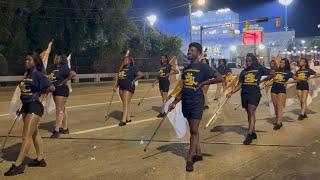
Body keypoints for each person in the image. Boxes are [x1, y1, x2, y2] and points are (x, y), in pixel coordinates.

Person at [169, 42, 223, 172]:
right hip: (186, 101)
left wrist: (205, 82)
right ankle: (198, 152)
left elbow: (220, 78)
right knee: (193, 129)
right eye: (188, 50)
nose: (189, 52)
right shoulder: (186, 69)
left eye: (192, 50)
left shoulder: (204, 67)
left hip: (197, 102)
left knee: (193, 129)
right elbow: (184, 87)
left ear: (198, 53)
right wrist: (175, 102)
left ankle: (190, 158)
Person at [5, 52, 55, 176]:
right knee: (34, 134)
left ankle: (18, 165)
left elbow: (52, 88)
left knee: (25, 137)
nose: (26, 62)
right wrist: (22, 108)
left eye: (29, 60)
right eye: (25, 60)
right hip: (26, 107)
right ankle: (40, 159)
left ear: (36, 62)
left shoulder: (38, 74)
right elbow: (25, 93)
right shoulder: (27, 75)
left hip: (35, 107)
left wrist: (39, 93)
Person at [227, 53, 270, 145]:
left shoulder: (259, 69)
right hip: (244, 94)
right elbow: (240, 85)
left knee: (251, 111)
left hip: (254, 93)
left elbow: (272, 73)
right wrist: (231, 92)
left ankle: (249, 134)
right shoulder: (243, 72)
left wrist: (264, 80)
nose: (247, 62)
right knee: (250, 113)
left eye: (249, 60)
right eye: (246, 61)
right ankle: (253, 131)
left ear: (253, 61)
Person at [49, 54, 76, 138]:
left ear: (61, 60)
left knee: (59, 110)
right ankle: (65, 128)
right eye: (56, 57)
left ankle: (56, 130)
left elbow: (73, 73)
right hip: (55, 91)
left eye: (57, 58)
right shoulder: (54, 69)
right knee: (62, 109)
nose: (55, 58)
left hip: (61, 90)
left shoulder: (64, 68)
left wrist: (65, 81)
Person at [114, 54, 143, 126]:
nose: (125, 60)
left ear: (130, 61)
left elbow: (140, 75)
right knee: (125, 103)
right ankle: (128, 118)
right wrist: (115, 86)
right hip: (121, 87)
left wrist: (134, 80)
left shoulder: (133, 68)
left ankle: (123, 120)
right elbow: (119, 78)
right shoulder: (121, 69)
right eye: (124, 60)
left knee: (125, 103)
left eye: (127, 59)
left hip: (129, 87)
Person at [268, 58, 293, 130]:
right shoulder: (276, 71)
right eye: (281, 62)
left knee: (279, 106)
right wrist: (267, 84)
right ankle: (278, 120)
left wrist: (287, 82)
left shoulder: (289, 72)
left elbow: (297, 79)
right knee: (275, 106)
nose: (281, 64)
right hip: (274, 89)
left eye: (283, 63)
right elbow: (273, 80)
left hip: (281, 90)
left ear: (286, 64)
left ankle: (279, 123)